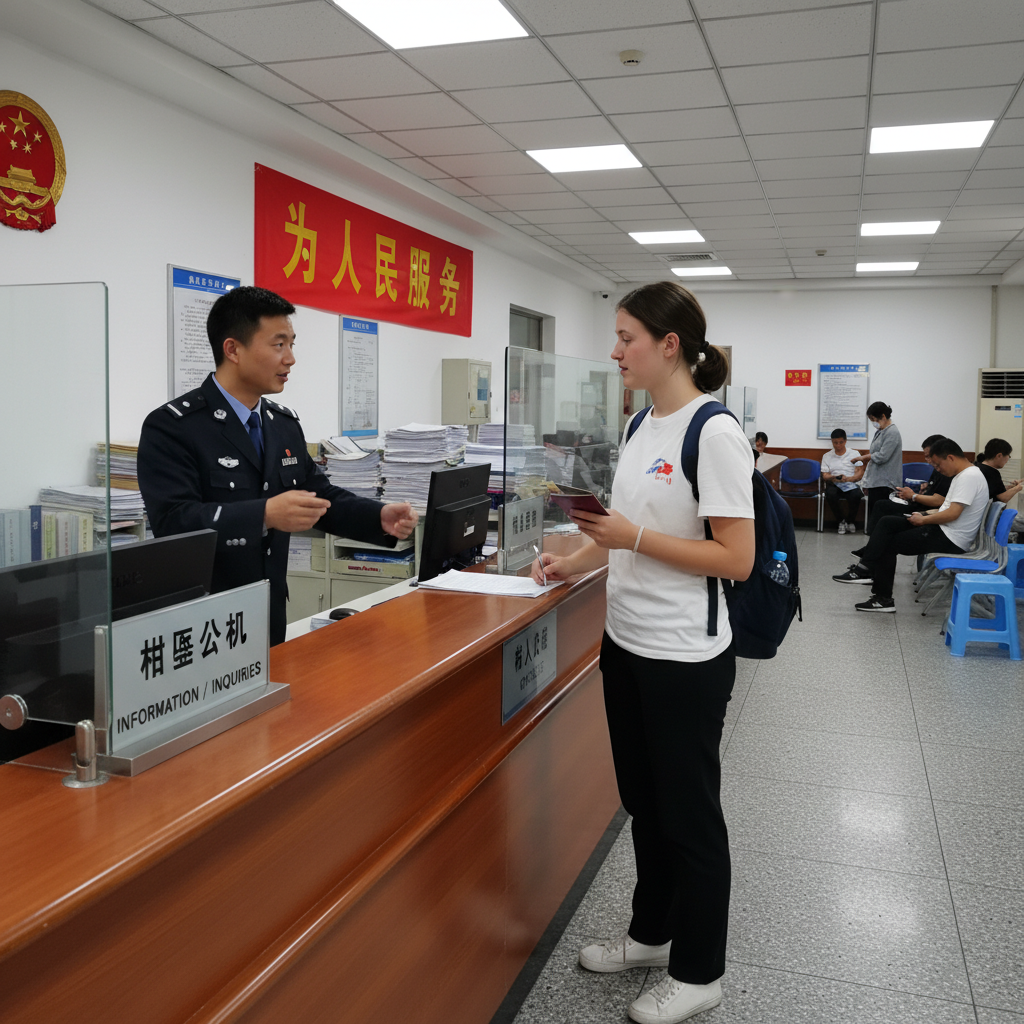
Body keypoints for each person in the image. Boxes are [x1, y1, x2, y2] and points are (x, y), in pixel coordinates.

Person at [531, 281, 754, 1024]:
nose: (615, 350)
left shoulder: (712, 433)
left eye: (627, 336)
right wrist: (578, 560)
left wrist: (629, 539)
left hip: (684, 657)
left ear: (669, 344)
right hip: (625, 644)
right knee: (645, 805)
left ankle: (700, 973)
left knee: (689, 815)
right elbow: (623, 539)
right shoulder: (639, 427)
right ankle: (651, 936)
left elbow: (736, 559)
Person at [138, 286, 418, 646]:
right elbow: (173, 522)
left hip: (268, 616)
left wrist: (376, 516)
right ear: (233, 349)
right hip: (205, 624)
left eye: (292, 344)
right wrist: (264, 515)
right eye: (278, 344)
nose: (290, 359)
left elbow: (318, 494)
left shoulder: (281, 423)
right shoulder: (174, 426)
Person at [832, 438, 989, 612]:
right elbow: (946, 509)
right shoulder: (964, 475)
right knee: (887, 522)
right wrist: (922, 514)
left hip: (951, 538)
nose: (938, 470)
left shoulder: (969, 477)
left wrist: (923, 520)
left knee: (888, 543)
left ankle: (881, 597)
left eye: (938, 465)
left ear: (950, 458)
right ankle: (866, 569)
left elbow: (953, 514)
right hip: (944, 529)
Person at [861, 433, 948, 536]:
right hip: (919, 503)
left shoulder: (946, 472)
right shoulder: (937, 470)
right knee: (881, 504)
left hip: (924, 511)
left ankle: (874, 542)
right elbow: (932, 490)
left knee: (884, 514)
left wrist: (913, 496)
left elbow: (939, 500)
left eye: (929, 456)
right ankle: (873, 541)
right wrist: (924, 488)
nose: (927, 460)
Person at [859, 401, 903, 524]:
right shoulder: (881, 431)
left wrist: (864, 458)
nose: (873, 423)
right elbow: (875, 454)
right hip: (877, 481)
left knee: (880, 517)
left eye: (873, 419)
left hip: (885, 482)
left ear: (883, 416)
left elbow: (882, 456)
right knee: (874, 515)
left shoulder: (892, 432)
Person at [820, 428, 864, 534]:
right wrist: (834, 477)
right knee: (830, 494)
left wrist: (848, 479)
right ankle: (841, 521)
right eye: (835, 443)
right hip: (835, 483)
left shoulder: (854, 454)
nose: (838, 445)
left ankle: (850, 521)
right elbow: (825, 476)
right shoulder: (827, 456)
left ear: (845, 441)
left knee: (856, 495)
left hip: (851, 483)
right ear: (832, 442)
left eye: (841, 442)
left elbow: (859, 473)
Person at [976, 438, 1024, 504]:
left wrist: (1008, 489)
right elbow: (1003, 498)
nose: (1008, 459)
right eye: (1008, 456)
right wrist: (1018, 488)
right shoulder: (992, 473)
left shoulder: (977, 466)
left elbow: (994, 491)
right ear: (999, 456)